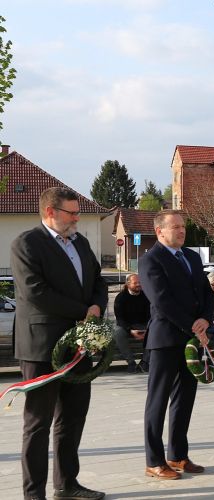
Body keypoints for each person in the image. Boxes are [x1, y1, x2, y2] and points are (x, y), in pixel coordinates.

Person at [10, 187, 108, 500]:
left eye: (78, 212)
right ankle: (33, 493)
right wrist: (83, 310)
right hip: (41, 346)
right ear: (51, 212)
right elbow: (35, 292)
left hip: (79, 346)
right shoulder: (27, 243)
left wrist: (96, 307)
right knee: (38, 423)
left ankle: (67, 484)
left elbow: (98, 281)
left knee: (73, 417)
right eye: (72, 212)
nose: (78, 218)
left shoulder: (80, 242)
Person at [139, 210, 214, 480]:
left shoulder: (192, 257)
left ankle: (178, 455)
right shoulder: (151, 260)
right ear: (160, 232)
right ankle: (154, 461)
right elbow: (162, 300)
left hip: (192, 338)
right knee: (157, 402)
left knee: (184, 400)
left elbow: (206, 293)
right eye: (175, 227)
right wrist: (192, 324)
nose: (182, 231)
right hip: (165, 340)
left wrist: (205, 318)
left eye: (183, 227)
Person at [113, 273, 151, 373]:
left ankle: (145, 362)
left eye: (140, 282)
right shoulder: (121, 297)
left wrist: (147, 329)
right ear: (128, 284)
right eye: (135, 283)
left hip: (142, 324)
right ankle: (131, 363)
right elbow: (120, 319)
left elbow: (151, 316)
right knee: (118, 332)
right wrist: (130, 330)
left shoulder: (146, 296)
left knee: (155, 330)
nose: (139, 284)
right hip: (126, 326)